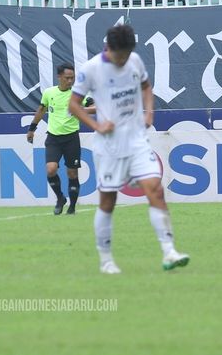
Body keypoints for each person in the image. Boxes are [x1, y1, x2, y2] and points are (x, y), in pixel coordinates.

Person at [69, 24, 189, 274]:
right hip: (109, 147)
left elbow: (146, 86)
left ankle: (169, 251)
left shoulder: (134, 60)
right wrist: (96, 125)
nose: (124, 59)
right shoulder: (91, 69)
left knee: (155, 189)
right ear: (109, 49)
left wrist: (149, 113)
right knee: (108, 201)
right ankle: (106, 261)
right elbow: (74, 105)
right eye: (120, 55)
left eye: (127, 54)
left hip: (136, 140)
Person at [27, 63, 94, 215]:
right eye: (67, 78)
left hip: (71, 139)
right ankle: (60, 198)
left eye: (72, 78)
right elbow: (41, 110)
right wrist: (32, 129)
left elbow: (95, 106)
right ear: (59, 77)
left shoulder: (78, 94)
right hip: (53, 138)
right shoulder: (49, 92)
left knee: (72, 173)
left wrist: (82, 109)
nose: (70, 81)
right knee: (50, 169)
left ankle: (72, 207)